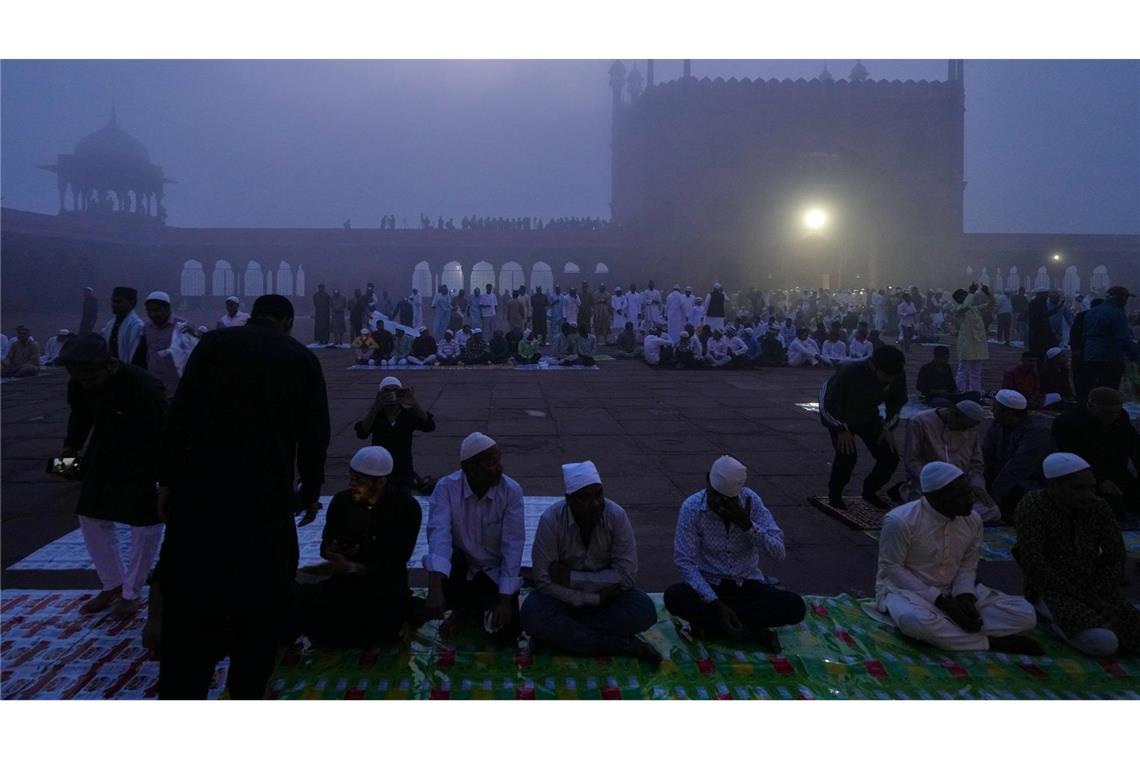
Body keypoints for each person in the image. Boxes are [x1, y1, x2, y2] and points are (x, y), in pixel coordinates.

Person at [157, 294, 330, 699]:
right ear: (287, 321)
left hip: (201, 495)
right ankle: (245, 692)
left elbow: (179, 414)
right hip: (265, 500)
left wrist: (167, 480)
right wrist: (311, 489)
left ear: (253, 315)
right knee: (260, 608)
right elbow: (314, 434)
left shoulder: (213, 345)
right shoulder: (300, 357)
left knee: (190, 608)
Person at [875, 462, 1041, 653]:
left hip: (952, 589)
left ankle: (947, 633)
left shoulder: (973, 520)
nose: (971, 500)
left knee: (1026, 615)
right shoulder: (900, 521)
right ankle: (990, 643)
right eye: (961, 496)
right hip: (906, 591)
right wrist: (942, 603)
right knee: (913, 621)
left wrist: (964, 597)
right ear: (936, 497)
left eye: (970, 492)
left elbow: (967, 565)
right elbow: (892, 568)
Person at [58, 333, 167, 618]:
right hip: (103, 452)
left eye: (92, 378)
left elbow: (164, 435)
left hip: (143, 456)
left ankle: (132, 593)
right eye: (81, 379)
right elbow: (80, 415)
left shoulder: (143, 386)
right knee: (90, 514)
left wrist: (165, 480)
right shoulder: (80, 381)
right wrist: (69, 450)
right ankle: (112, 584)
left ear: (110, 365)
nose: (87, 385)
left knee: (144, 525)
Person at [521, 461, 661, 664]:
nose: (595, 503)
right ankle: (621, 645)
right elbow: (543, 580)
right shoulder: (551, 520)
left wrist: (571, 577)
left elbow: (626, 576)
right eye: (585, 498)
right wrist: (591, 598)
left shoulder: (616, 516)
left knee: (644, 610)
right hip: (565, 600)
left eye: (598, 494)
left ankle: (562, 637)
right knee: (531, 613)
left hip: (608, 599)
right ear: (569, 500)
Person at [664, 456, 805, 651]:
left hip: (747, 585)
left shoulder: (751, 502)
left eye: (728, 499)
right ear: (707, 481)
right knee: (675, 596)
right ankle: (750, 630)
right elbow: (684, 562)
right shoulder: (692, 508)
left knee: (794, 605)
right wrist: (715, 604)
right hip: (710, 588)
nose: (721, 504)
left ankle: (716, 627)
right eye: (716, 497)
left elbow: (779, 552)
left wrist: (747, 525)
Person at [291, 446, 422, 648]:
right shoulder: (342, 502)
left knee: (384, 616)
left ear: (380, 482)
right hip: (344, 586)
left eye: (360, 480)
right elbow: (327, 542)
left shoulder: (406, 508)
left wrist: (355, 567)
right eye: (352, 477)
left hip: (384, 587)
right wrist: (334, 551)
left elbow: (396, 562)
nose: (352, 484)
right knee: (300, 604)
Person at [1014, 453, 1139, 656]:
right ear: (1054, 487)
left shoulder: (1097, 507)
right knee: (1104, 643)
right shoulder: (1033, 507)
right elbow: (1034, 562)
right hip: (1052, 590)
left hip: (1095, 586)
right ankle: (1049, 618)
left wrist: (1102, 587)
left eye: (1091, 487)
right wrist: (1081, 595)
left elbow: (1114, 554)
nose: (1089, 494)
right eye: (1079, 488)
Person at [422, 433, 524, 643]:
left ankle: (470, 611)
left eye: (498, 460)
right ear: (469, 468)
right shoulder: (446, 488)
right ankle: (462, 611)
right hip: (461, 571)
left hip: (492, 573)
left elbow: (512, 546)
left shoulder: (510, 491)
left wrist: (505, 600)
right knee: (451, 559)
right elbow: (438, 536)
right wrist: (434, 589)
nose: (498, 467)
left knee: (507, 633)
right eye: (491, 462)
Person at [819, 345, 907, 509]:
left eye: (892, 377)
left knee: (890, 456)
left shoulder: (897, 374)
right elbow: (826, 402)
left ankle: (870, 491)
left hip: (868, 415)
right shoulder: (850, 371)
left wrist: (888, 427)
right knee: (847, 455)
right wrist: (840, 429)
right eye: (886, 376)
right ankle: (835, 494)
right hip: (841, 414)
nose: (889, 380)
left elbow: (897, 403)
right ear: (873, 366)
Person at [894, 401, 1000, 522]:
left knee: (992, 511)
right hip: (930, 485)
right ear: (952, 414)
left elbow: (976, 464)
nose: (963, 430)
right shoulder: (919, 421)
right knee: (925, 513)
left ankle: (951, 519)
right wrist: (935, 482)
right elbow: (912, 461)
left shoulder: (969, 429)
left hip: (961, 487)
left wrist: (977, 486)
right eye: (962, 426)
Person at [1051, 387, 1140, 519]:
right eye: (1107, 412)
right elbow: (1071, 458)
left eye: (1116, 412)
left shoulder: (1121, 418)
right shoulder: (1067, 423)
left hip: (1118, 473)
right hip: (1083, 478)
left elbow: (1135, 447)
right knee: (1108, 509)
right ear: (1091, 405)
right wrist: (1100, 480)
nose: (1113, 417)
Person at [982, 389, 1053, 520]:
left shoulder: (1036, 431)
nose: (992, 411)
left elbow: (1019, 467)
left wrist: (994, 494)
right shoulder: (998, 424)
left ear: (1008, 413)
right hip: (1002, 476)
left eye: (995, 408)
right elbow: (986, 454)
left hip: (1031, 480)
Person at [1079, 285, 1135, 397]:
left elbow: (1084, 336)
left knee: (1094, 389)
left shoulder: (1092, 311)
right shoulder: (1117, 312)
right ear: (1121, 298)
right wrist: (1133, 355)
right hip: (1110, 357)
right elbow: (1123, 338)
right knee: (1109, 391)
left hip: (1091, 356)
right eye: (1126, 298)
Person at [143, 291, 195, 400]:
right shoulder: (146, 327)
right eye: (149, 311)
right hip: (153, 384)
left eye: (156, 310)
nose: (153, 314)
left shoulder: (183, 326)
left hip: (177, 387)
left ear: (167, 308)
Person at [950, 285, 991, 395]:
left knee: (976, 372)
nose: (967, 296)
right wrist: (971, 293)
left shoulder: (975, 309)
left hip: (978, 343)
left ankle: (975, 393)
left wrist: (988, 294)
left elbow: (992, 305)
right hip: (966, 343)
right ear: (959, 299)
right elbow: (965, 306)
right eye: (965, 295)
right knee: (963, 370)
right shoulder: (958, 310)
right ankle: (960, 392)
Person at [100, 286, 147, 367]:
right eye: (113, 301)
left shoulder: (137, 326)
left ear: (131, 303)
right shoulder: (110, 324)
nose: (114, 304)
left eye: (119, 302)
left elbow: (136, 357)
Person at [1025, 287, 1058, 364]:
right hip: (1039, 332)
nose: (1047, 297)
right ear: (1041, 295)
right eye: (1046, 295)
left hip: (1039, 332)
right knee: (1039, 354)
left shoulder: (1038, 303)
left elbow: (1044, 316)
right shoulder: (1037, 304)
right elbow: (1042, 317)